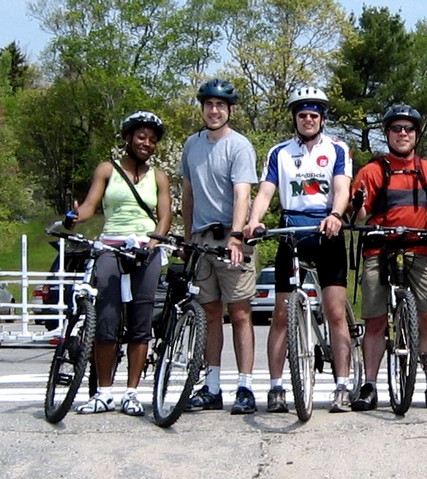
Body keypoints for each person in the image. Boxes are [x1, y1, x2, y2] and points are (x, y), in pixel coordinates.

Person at [244, 86, 354, 413]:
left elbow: (342, 187)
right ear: (295, 117)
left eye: (314, 115)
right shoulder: (279, 152)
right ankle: (276, 388)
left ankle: (342, 385)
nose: (308, 119)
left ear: (322, 118)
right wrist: (254, 220)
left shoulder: (337, 148)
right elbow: (265, 192)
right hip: (292, 232)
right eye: (302, 114)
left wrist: (336, 215)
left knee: (335, 311)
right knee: (281, 314)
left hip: (326, 232)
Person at [349, 104, 427, 411]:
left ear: (416, 135)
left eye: (408, 129)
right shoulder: (372, 171)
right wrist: (358, 205)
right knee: (375, 320)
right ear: (388, 134)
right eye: (396, 129)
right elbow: (359, 216)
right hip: (379, 250)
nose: (403, 134)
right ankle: (370, 385)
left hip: (418, 249)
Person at [69, 111, 172, 416]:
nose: (147, 143)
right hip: (111, 247)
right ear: (128, 138)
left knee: (141, 324)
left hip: (144, 249)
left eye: (152, 140)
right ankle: (103, 392)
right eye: (141, 137)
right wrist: (75, 217)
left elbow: (164, 217)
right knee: (107, 320)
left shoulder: (159, 177)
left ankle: (132, 393)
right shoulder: (107, 169)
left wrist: (153, 242)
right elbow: (89, 206)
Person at [181, 78, 260, 415]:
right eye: (209, 105)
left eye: (220, 106)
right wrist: (186, 239)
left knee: (240, 312)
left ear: (230, 110)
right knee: (210, 313)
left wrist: (237, 235)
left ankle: (245, 386)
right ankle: (211, 386)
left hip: (231, 238)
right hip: (200, 239)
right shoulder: (191, 145)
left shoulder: (239, 146)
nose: (214, 111)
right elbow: (187, 193)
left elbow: (243, 192)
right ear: (202, 108)